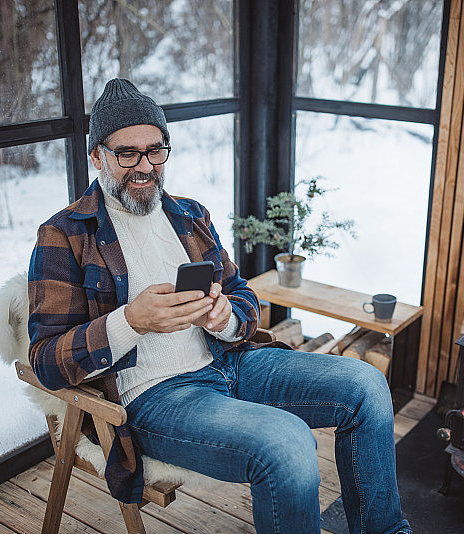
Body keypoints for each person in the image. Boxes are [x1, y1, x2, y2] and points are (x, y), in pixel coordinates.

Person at [28, 78, 411, 534]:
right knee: (287, 443)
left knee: (366, 385)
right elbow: (45, 361)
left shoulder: (189, 215)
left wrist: (226, 317)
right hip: (157, 396)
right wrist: (130, 322)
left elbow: (242, 296)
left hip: (231, 362)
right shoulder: (64, 236)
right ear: (97, 156)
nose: (145, 166)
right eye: (127, 153)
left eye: (155, 151)